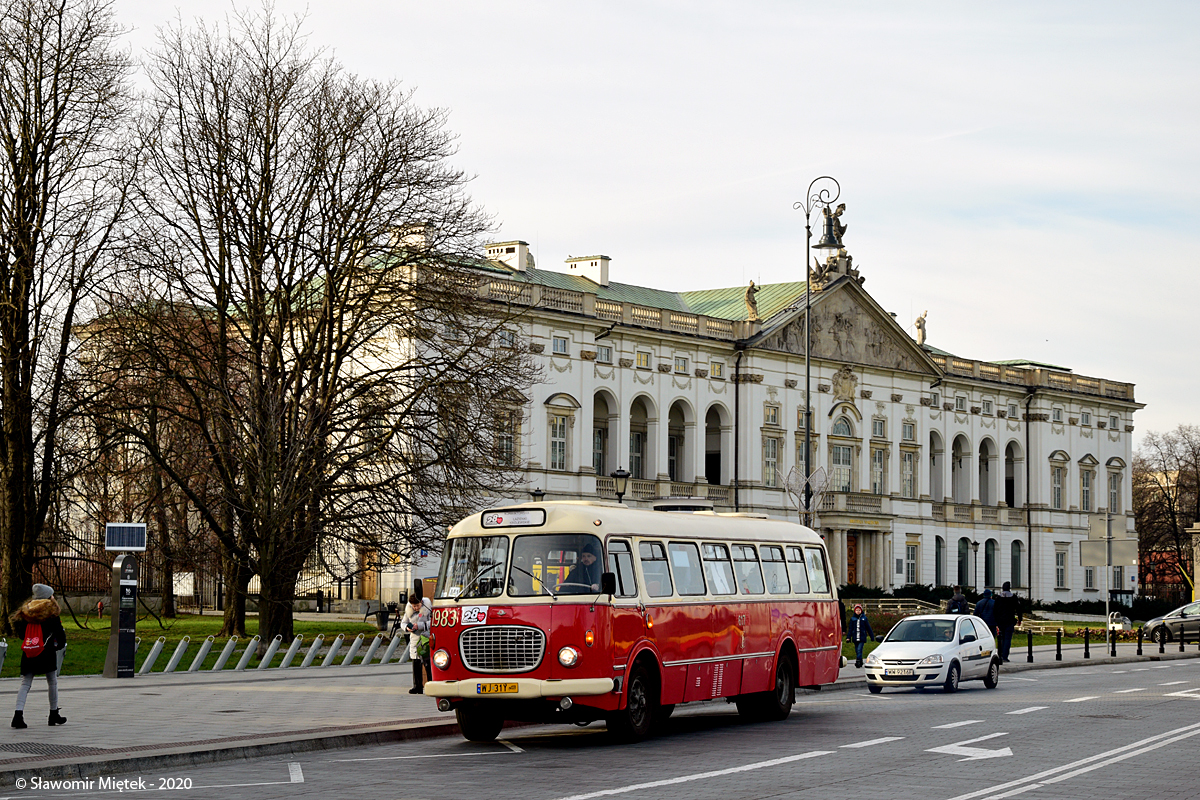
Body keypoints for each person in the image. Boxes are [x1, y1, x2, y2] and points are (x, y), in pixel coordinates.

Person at [10, 584, 67, 728]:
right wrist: (58, 645)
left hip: (29, 651)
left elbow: (22, 634)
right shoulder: (51, 612)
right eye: (52, 595)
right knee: (52, 681)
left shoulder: (26, 612)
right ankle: (53, 714)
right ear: (48, 597)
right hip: (46, 652)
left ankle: (18, 714)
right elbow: (59, 634)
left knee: (25, 683)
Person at [400, 594, 431, 694]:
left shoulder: (428, 609)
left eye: (417, 606)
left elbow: (433, 622)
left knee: (427, 663)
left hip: (425, 637)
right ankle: (417, 686)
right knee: (416, 662)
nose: (416, 608)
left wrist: (420, 625)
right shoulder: (409, 612)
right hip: (414, 639)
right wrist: (407, 628)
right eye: (414, 606)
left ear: (421, 603)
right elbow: (403, 623)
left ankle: (431, 684)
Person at [994, 581, 1022, 663]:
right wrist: (1020, 619)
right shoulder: (1013, 598)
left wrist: (996, 621)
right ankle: (1005, 656)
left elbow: (995, 610)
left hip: (1000, 621)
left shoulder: (998, 598)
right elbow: (1019, 609)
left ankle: (1000, 654)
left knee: (1001, 638)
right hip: (1009, 620)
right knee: (1007, 639)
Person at [847, 604, 874, 669]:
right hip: (855, 637)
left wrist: (872, 636)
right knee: (857, 650)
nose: (858, 611)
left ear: (861, 611)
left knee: (859, 649)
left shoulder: (864, 618)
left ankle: (858, 661)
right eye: (857, 610)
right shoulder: (853, 619)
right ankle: (860, 660)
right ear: (855, 611)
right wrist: (848, 637)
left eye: (859, 610)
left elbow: (868, 628)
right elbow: (850, 629)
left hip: (862, 637)